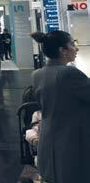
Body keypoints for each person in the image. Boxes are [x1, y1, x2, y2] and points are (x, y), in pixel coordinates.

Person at [31, 31, 90, 182]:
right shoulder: (68, 73)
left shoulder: (37, 74)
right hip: (71, 144)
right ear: (62, 50)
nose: (76, 48)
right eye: (72, 44)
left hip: (48, 141)